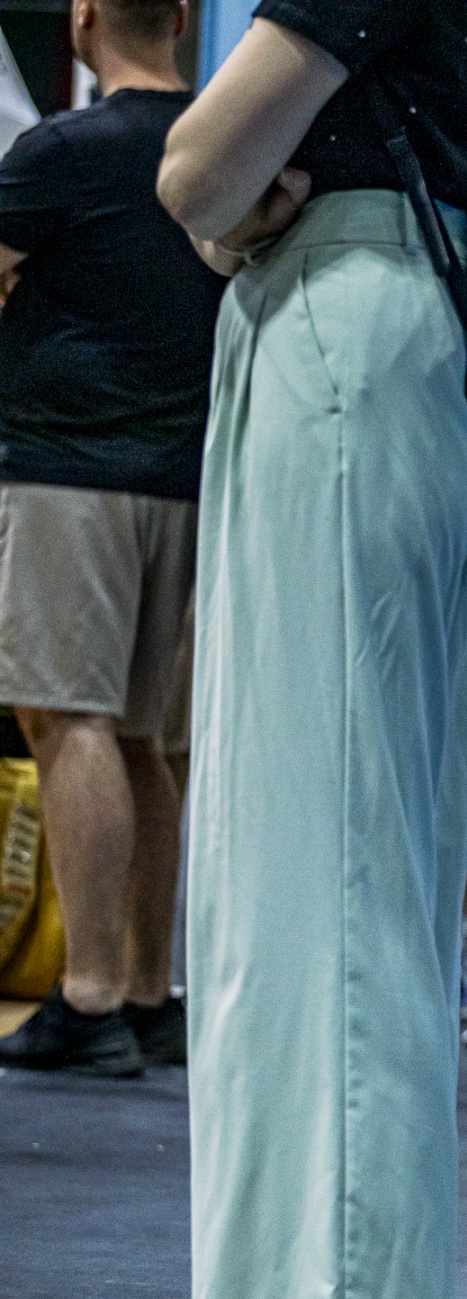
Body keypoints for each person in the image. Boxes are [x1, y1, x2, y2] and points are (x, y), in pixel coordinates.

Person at [147, 0, 467, 1299]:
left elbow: (199, 169)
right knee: (360, 869)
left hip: (341, 341)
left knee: (315, 877)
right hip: (406, 345)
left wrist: (221, 216)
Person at [0, 0, 218, 1079]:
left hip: (66, 468)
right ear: (180, 18)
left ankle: (87, 998)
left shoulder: (60, 151)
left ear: (83, 21)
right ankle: (144, 989)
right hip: (188, 478)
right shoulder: (225, 139)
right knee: (141, 739)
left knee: (67, 720)